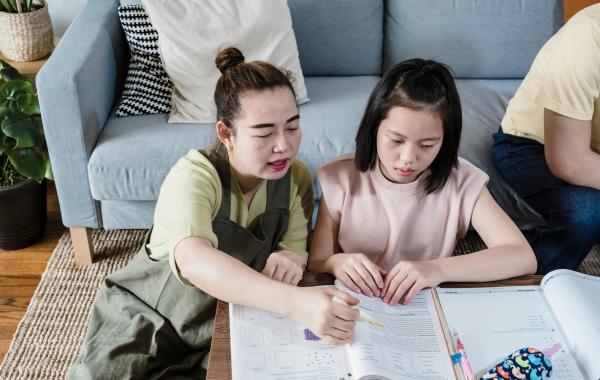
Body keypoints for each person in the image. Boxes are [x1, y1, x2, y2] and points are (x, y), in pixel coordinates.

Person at [69, 47, 360, 380]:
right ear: (226, 133)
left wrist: (292, 257)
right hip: (147, 320)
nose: (284, 145)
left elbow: (295, 247)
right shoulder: (195, 175)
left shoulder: (296, 178)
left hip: (224, 323)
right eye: (265, 133)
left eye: (292, 127)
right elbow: (195, 260)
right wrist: (295, 302)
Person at [308, 59, 537, 306]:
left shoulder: (462, 181)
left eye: (427, 145)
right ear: (374, 128)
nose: (408, 159)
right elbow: (318, 261)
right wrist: (336, 262)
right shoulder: (339, 177)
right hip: (358, 306)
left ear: (445, 140)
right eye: (396, 140)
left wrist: (437, 270)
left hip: (426, 307)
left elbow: (521, 256)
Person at [492, 4, 600, 274]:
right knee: (586, 213)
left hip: (591, 150)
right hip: (530, 145)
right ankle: (526, 283)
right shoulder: (588, 37)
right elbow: (569, 161)